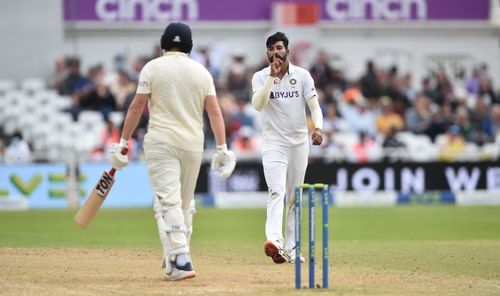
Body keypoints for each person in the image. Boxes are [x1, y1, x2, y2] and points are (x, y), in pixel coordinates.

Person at [108, 22, 236, 281]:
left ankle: (181, 258)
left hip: (161, 142)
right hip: (192, 144)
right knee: (183, 204)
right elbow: (214, 111)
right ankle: (173, 257)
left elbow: (136, 108)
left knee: (168, 201)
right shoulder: (202, 72)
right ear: (189, 45)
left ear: (163, 43)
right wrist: (222, 148)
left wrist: (123, 142)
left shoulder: (152, 67)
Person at [251, 32, 323, 264]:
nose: (276, 52)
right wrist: (272, 78)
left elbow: (314, 105)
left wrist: (319, 128)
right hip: (273, 144)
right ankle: (275, 242)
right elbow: (259, 105)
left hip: (299, 143)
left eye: (279, 48)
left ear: (287, 51)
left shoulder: (302, 76)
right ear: (267, 53)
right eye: (271, 49)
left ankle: (291, 249)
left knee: (294, 196)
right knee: (276, 191)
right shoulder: (260, 77)